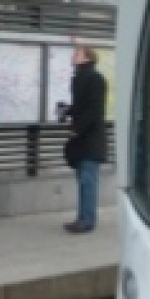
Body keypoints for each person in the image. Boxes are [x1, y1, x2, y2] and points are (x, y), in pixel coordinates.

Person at [63, 46, 108, 234]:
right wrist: (67, 110)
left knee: (88, 181)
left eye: (77, 54)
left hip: (90, 139)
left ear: (87, 58)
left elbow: (93, 110)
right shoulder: (78, 78)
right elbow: (80, 106)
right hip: (81, 139)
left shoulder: (95, 79)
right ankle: (82, 218)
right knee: (82, 180)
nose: (73, 56)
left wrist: (77, 128)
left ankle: (87, 220)